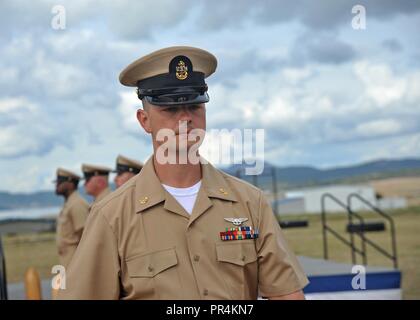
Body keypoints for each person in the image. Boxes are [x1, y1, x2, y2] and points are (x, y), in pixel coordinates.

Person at [58, 46, 309, 300]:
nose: (185, 119)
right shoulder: (112, 216)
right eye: (170, 109)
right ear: (144, 121)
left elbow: (287, 295)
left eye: (195, 106)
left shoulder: (250, 203)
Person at [54, 168, 89, 268]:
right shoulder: (70, 203)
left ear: (70, 184)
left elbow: (84, 237)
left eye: (60, 182)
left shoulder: (77, 204)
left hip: (76, 265)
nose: (56, 185)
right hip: (68, 263)